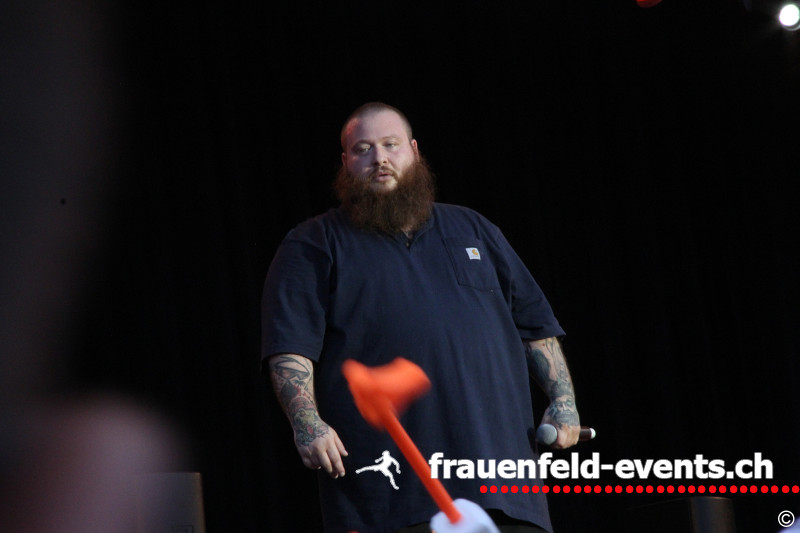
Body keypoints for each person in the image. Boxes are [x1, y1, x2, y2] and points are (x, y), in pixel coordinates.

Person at [261, 102, 582, 533]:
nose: (379, 158)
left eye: (390, 145)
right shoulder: (315, 242)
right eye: (363, 149)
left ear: (413, 151)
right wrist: (307, 423)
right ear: (345, 162)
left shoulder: (475, 229)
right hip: (391, 501)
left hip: (505, 491)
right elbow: (289, 346)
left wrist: (563, 401)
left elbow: (535, 328)